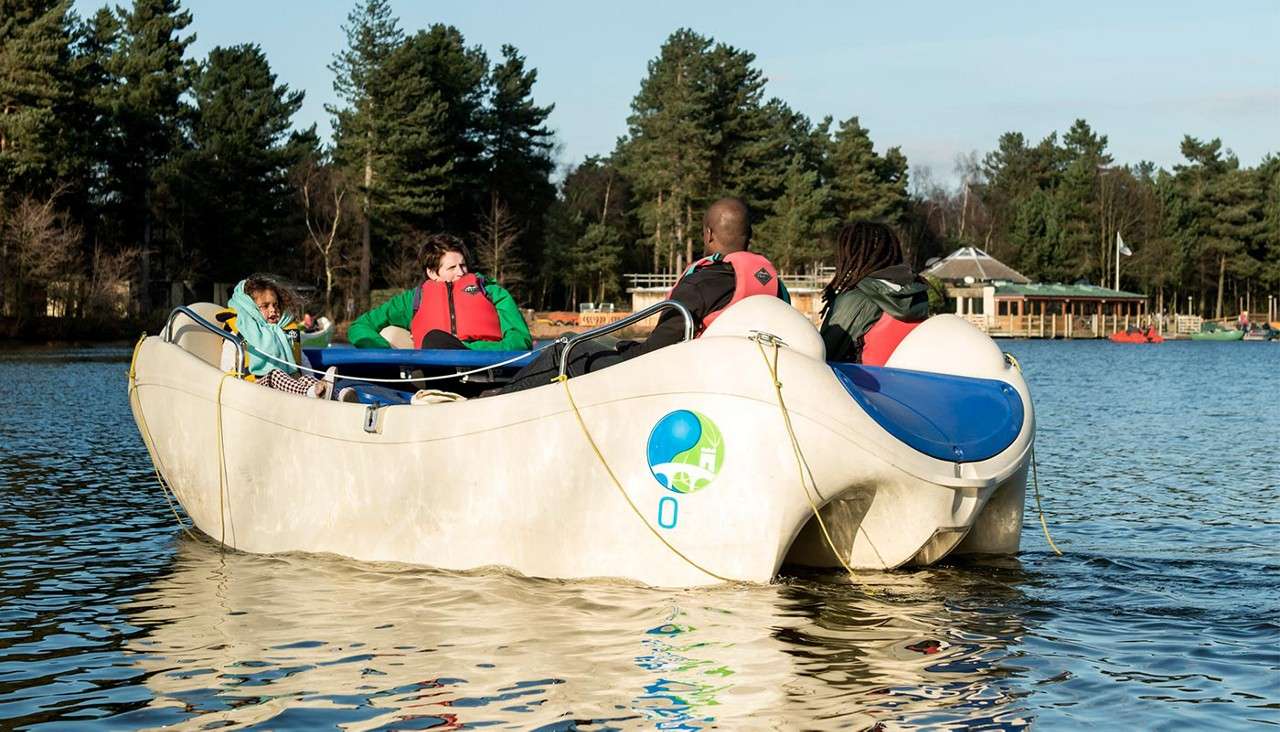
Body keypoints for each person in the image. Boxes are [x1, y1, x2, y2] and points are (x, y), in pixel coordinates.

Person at [496, 197, 788, 394]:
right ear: (749, 235)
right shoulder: (775, 287)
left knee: (567, 347)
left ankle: (494, 401)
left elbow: (655, 354)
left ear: (708, 235)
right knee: (601, 344)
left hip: (678, 382)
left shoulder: (701, 284)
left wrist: (625, 348)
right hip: (740, 381)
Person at [347, 234, 531, 351]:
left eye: (463, 265)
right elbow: (360, 327)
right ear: (432, 273)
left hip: (484, 364)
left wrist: (475, 350)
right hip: (434, 367)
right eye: (452, 267)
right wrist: (385, 352)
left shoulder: (491, 292)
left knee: (435, 340)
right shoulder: (412, 300)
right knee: (393, 333)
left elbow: (519, 339)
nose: (461, 272)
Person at [819, 221, 930, 364]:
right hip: (907, 383)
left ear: (852, 253)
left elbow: (822, 356)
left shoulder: (856, 299)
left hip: (862, 383)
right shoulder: (917, 293)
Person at [218, 275, 335, 399]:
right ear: (250, 308)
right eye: (265, 306)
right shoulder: (239, 332)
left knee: (305, 378)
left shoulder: (285, 333)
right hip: (254, 390)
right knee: (275, 374)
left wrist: (310, 379)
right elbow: (227, 367)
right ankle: (313, 393)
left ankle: (338, 394)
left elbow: (303, 364)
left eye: (275, 305)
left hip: (288, 391)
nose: (273, 310)